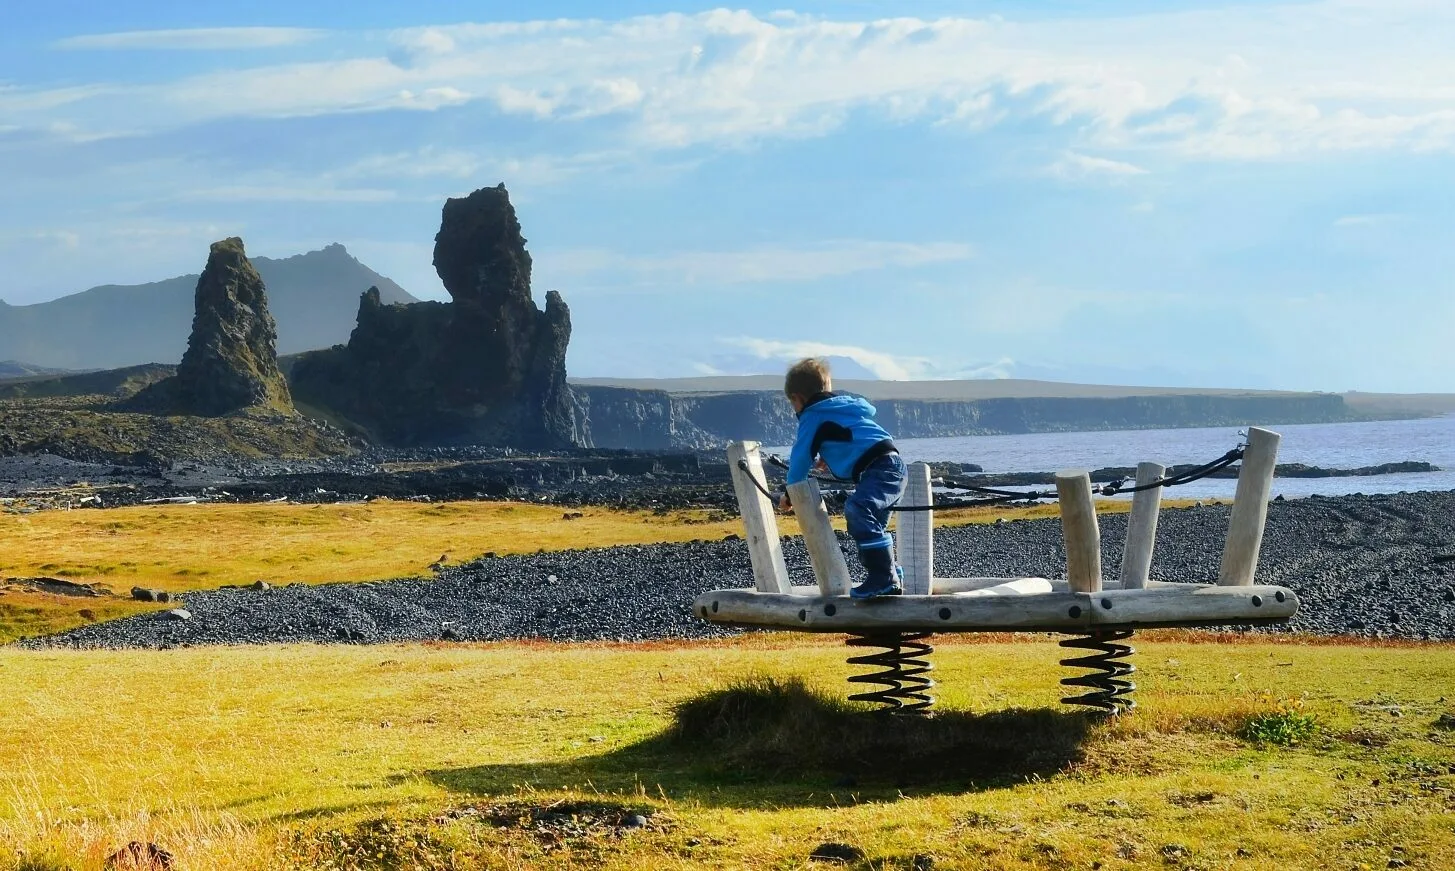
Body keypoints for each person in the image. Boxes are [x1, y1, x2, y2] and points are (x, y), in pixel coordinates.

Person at [777, 357, 907, 599]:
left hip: (879, 469)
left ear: (798, 398)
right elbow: (853, 436)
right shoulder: (842, 408)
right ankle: (891, 574)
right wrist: (833, 454)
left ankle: (884, 577)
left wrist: (789, 493)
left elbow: (800, 458)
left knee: (857, 509)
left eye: (792, 404)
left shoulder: (812, 416)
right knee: (872, 524)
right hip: (890, 466)